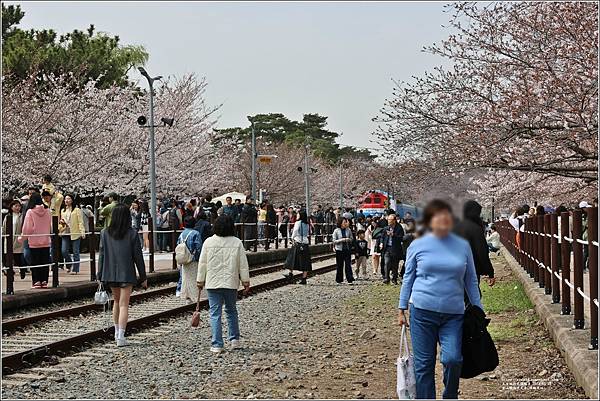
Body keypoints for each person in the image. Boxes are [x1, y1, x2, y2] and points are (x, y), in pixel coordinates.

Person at [398, 199, 482, 399]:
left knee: (453, 359)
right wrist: (401, 308)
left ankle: (450, 394)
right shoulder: (417, 245)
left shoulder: (462, 246)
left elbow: (471, 280)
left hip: (453, 314)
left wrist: (478, 309)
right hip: (421, 311)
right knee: (424, 365)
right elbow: (408, 277)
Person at [197, 215, 250, 353]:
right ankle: (234, 340)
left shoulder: (208, 242)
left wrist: (200, 280)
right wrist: (245, 281)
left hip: (213, 283)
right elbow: (242, 264)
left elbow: (203, 264)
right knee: (231, 311)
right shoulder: (237, 242)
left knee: (215, 314)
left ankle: (217, 344)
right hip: (231, 282)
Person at [98, 204, 148, 347]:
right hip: (126, 273)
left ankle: (116, 333)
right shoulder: (132, 233)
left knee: (116, 302)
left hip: (110, 273)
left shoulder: (104, 233)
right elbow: (138, 257)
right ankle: (121, 335)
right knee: (124, 304)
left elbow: (101, 255)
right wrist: (143, 277)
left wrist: (100, 274)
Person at [454, 200, 495, 290]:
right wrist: (490, 272)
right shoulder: (475, 229)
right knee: (472, 298)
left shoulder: (455, 227)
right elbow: (482, 252)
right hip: (471, 269)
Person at [18, 193, 52, 288]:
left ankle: (36, 281)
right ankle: (44, 281)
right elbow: (51, 225)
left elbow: (28, 228)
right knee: (45, 261)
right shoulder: (48, 211)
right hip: (46, 240)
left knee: (35, 262)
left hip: (34, 241)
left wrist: (22, 238)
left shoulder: (30, 212)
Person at [177, 216, 202, 303]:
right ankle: (194, 297)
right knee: (193, 278)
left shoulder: (182, 234)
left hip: (184, 260)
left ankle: (186, 295)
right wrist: (199, 259)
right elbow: (198, 247)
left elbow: (178, 245)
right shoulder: (196, 233)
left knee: (185, 277)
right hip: (193, 259)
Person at [283, 210, 312, 284]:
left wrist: (291, 238)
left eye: (298, 214)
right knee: (305, 262)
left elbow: (295, 232)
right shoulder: (307, 224)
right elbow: (309, 232)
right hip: (305, 243)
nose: (297, 215)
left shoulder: (298, 223)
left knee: (292, 260)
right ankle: (304, 278)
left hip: (297, 243)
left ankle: (290, 275)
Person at [59, 194, 86, 274]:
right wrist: (60, 230)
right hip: (65, 232)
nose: (66, 200)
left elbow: (80, 222)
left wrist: (82, 231)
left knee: (75, 252)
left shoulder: (77, 210)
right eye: (65, 199)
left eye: (68, 199)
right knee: (64, 251)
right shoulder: (62, 210)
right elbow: (61, 222)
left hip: (75, 232)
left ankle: (75, 269)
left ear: (72, 200)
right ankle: (69, 264)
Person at [2, 200, 26, 279]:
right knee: (8, 259)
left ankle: (22, 270)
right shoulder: (8, 216)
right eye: (15, 206)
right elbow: (4, 227)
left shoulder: (22, 216)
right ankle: (10, 275)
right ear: (11, 207)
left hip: (18, 240)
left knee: (18, 258)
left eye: (19, 206)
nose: (17, 208)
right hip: (9, 240)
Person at [379, 213, 405, 285]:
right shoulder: (386, 228)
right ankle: (386, 278)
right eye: (388, 219)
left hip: (395, 249)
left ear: (394, 220)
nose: (388, 221)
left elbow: (401, 238)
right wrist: (381, 243)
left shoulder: (399, 228)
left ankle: (394, 279)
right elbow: (382, 237)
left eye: (390, 220)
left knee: (395, 265)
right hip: (387, 248)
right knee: (386, 263)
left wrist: (393, 235)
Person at [332, 217, 354, 284]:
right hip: (339, 250)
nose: (345, 223)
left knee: (348, 265)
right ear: (340, 223)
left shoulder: (348, 230)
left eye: (346, 222)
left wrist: (348, 239)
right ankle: (339, 279)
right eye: (344, 222)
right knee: (339, 265)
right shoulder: (336, 231)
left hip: (347, 249)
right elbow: (334, 241)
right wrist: (342, 240)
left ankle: (350, 279)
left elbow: (351, 239)